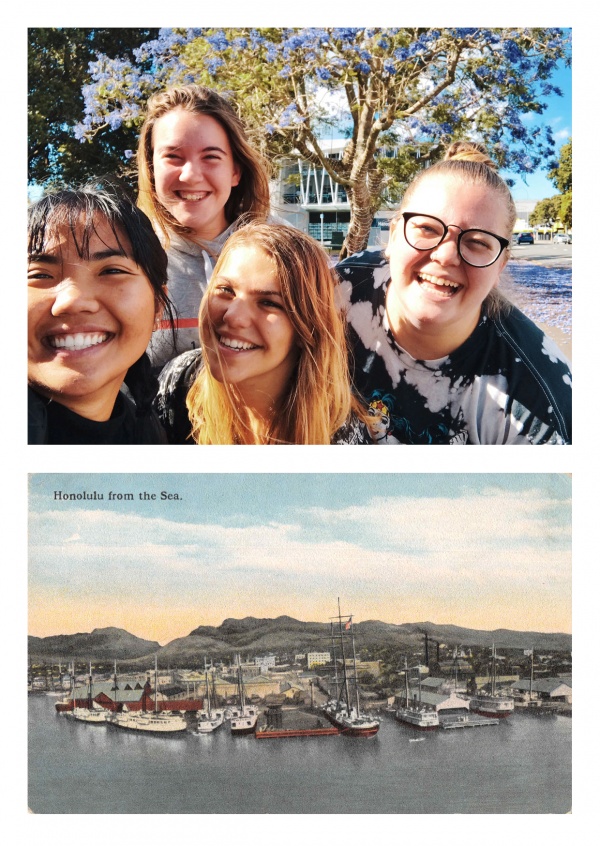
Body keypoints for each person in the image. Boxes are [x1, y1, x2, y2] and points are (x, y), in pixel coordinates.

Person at [336, 141, 572, 444]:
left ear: (500, 265)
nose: (446, 256)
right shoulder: (340, 289)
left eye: (477, 241)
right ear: (394, 236)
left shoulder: (537, 402)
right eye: (427, 229)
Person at [155, 222, 369, 444]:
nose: (233, 316)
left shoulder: (339, 437)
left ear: (307, 327)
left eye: (269, 303)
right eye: (226, 290)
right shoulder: (178, 382)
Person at [137, 84, 271, 368]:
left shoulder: (282, 254)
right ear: (151, 168)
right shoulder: (126, 259)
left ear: (235, 171)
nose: (191, 175)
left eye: (211, 157)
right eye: (173, 157)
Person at [28, 186, 174, 444]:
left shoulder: (149, 433)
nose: (72, 301)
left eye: (111, 271)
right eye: (40, 275)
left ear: (157, 307)